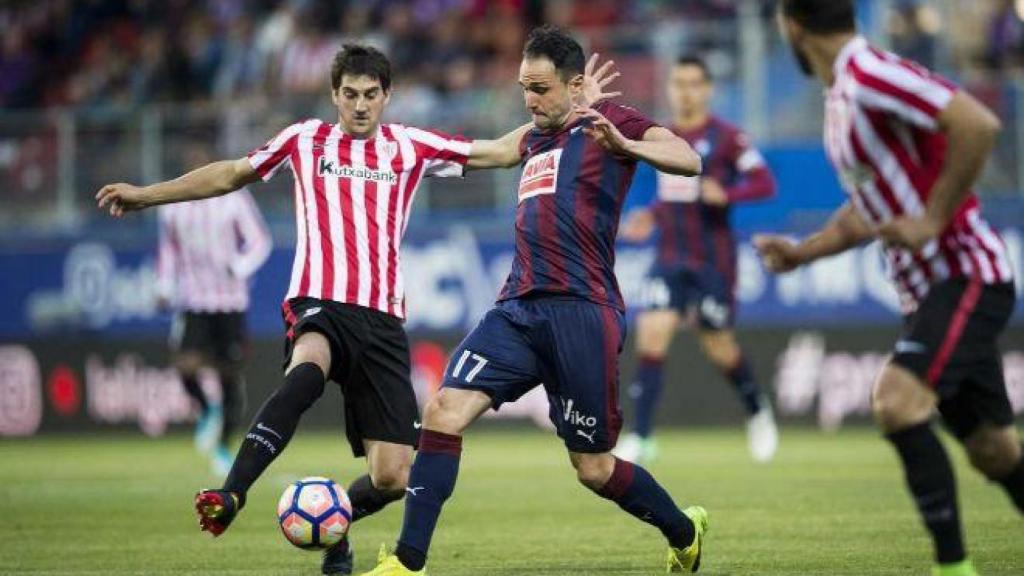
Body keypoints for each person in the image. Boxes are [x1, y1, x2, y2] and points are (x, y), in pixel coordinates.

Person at [96, 43, 618, 576]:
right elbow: (231, 173)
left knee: (393, 476)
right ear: (334, 95)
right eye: (350, 95)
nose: (361, 106)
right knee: (305, 371)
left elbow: (503, 151)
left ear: (387, 96)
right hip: (319, 301)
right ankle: (231, 494)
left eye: (371, 95)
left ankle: (334, 529)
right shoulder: (304, 140)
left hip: (382, 320)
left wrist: (575, 114)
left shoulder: (410, 146)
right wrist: (147, 195)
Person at [363, 26, 709, 576]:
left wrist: (627, 146)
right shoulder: (532, 136)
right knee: (443, 411)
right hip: (518, 307)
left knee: (593, 468)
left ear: (575, 87)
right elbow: (482, 152)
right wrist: (397, 146)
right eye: (525, 87)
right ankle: (408, 563)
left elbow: (688, 159)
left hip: (583, 310)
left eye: (541, 88)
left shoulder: (610, 123)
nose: (530, 99)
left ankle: (683, 531)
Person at [757, 2, 1022, 575]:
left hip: (965, 272)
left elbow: (978, 124)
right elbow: (866, 211)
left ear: (792, 27)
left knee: (897, 402)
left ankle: (953, 568)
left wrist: (932, 218)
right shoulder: (842, 99)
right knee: (993, 451)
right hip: (927, 294)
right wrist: (803, 254)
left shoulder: (872, 75)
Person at [616, 54, 778, 465]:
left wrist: (729, 194)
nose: (684, 91)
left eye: (692, 83)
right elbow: (673, 193)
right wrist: (649, 214)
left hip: (712, 262)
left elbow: (764, 182)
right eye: (678, 83)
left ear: (707, 89)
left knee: (719, 346)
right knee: (652, 335)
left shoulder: (726, 138)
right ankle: (642, 436)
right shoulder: (663, 137)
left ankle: (758, 412)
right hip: (668, 255)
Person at [156, 143, 272, 476]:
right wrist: (164, 286)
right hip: (193, 300)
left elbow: (260, 241)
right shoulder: (173, 207)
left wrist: (240, 265)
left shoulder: (233, 199)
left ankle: (222, 447)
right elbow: (168, 252)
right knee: (185, 366)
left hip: (230, 301)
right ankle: (207, 410)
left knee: (228, 375)